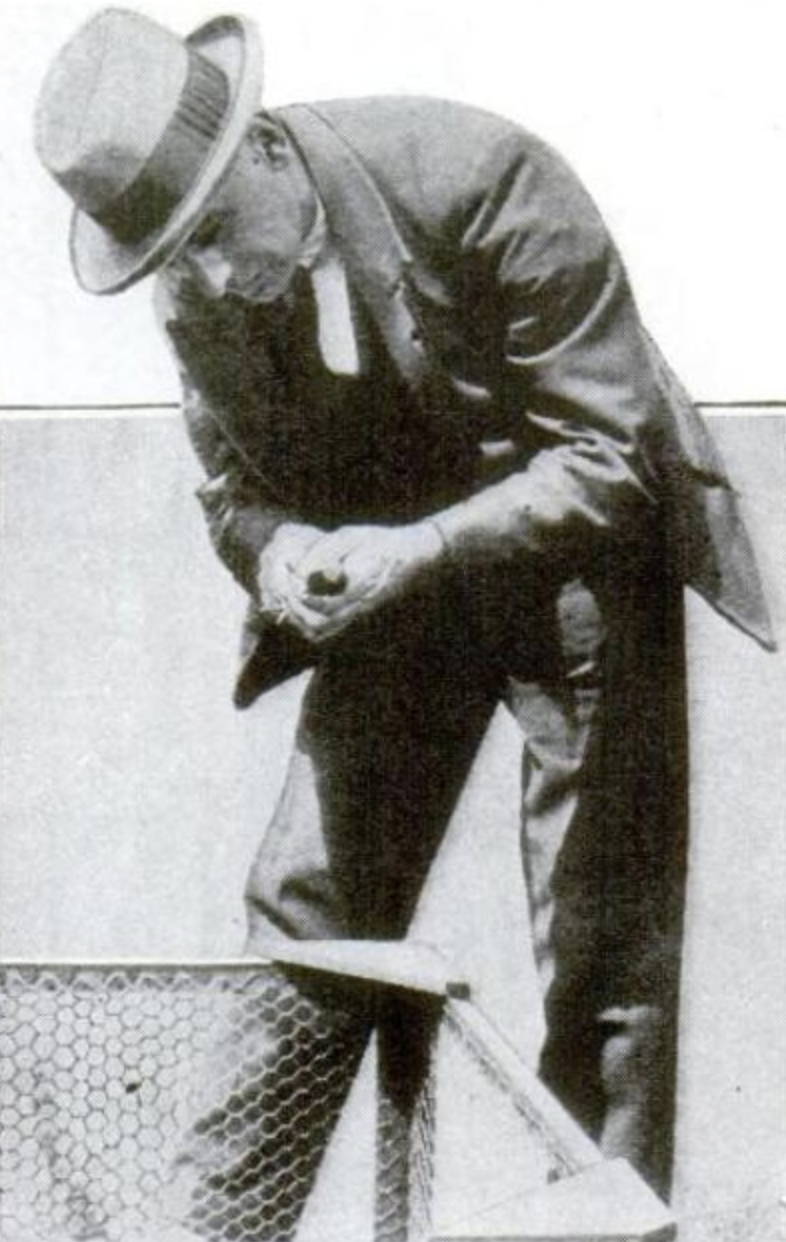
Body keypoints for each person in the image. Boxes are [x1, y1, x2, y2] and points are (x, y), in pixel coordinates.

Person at [34, 7, 773, 1238]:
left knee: (602, 948)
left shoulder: (488, 178)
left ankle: (604, 1230)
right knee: (307, 914)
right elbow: (232, 493)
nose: (204, 280)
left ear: (263, 150)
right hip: (395, 586)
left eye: (209, 233)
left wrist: (421, 546)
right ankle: (212, 1232)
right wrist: (279, 555)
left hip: (582, 553)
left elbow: (611, 458)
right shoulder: (196, 291)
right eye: (171, 258)